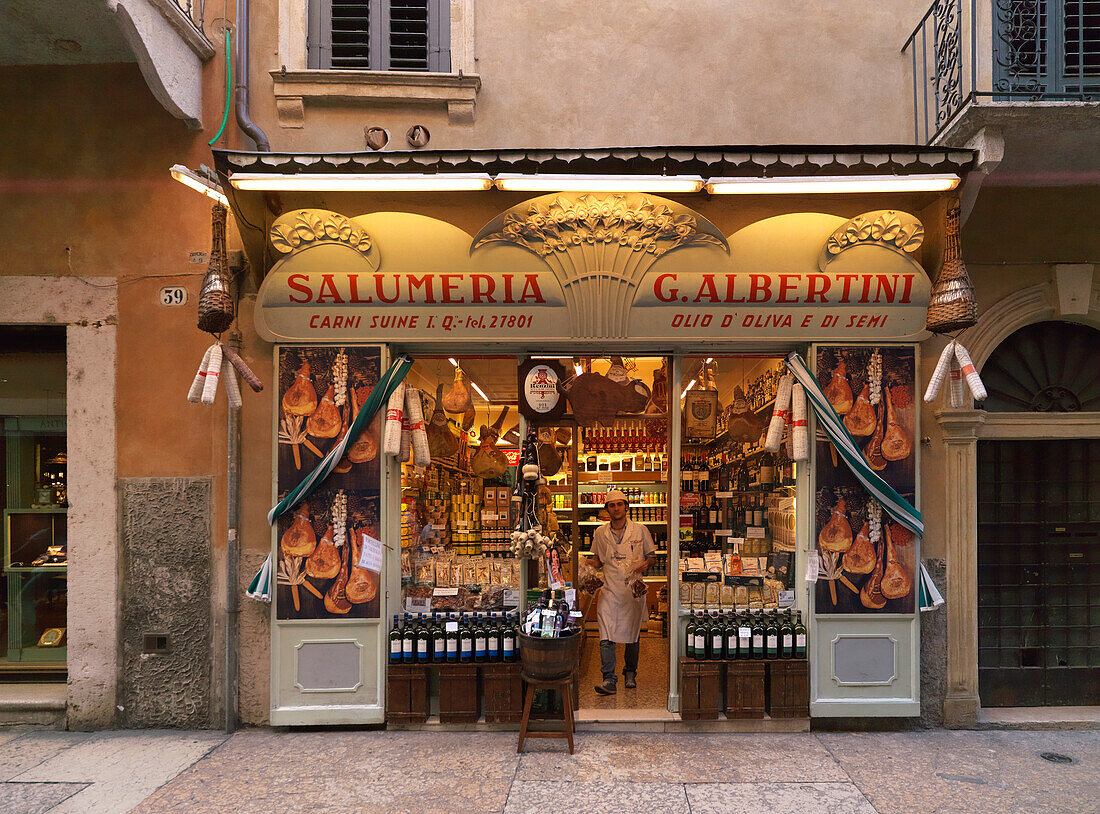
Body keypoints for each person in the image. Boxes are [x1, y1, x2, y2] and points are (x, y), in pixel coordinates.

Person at [587, 489, 657, 695]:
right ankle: (609, 679)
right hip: (609, 591)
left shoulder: (640, 530)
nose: (616, 508)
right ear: (606, 509)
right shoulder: (600, 533)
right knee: (605, 634)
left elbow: (652, 557)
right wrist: (585, 562)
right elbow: (599, 561)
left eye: (619, 504)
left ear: (626, 507)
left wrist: (646, 564)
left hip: (632, 591)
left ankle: (630, 672)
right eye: (612, 505)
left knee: (632, 633)